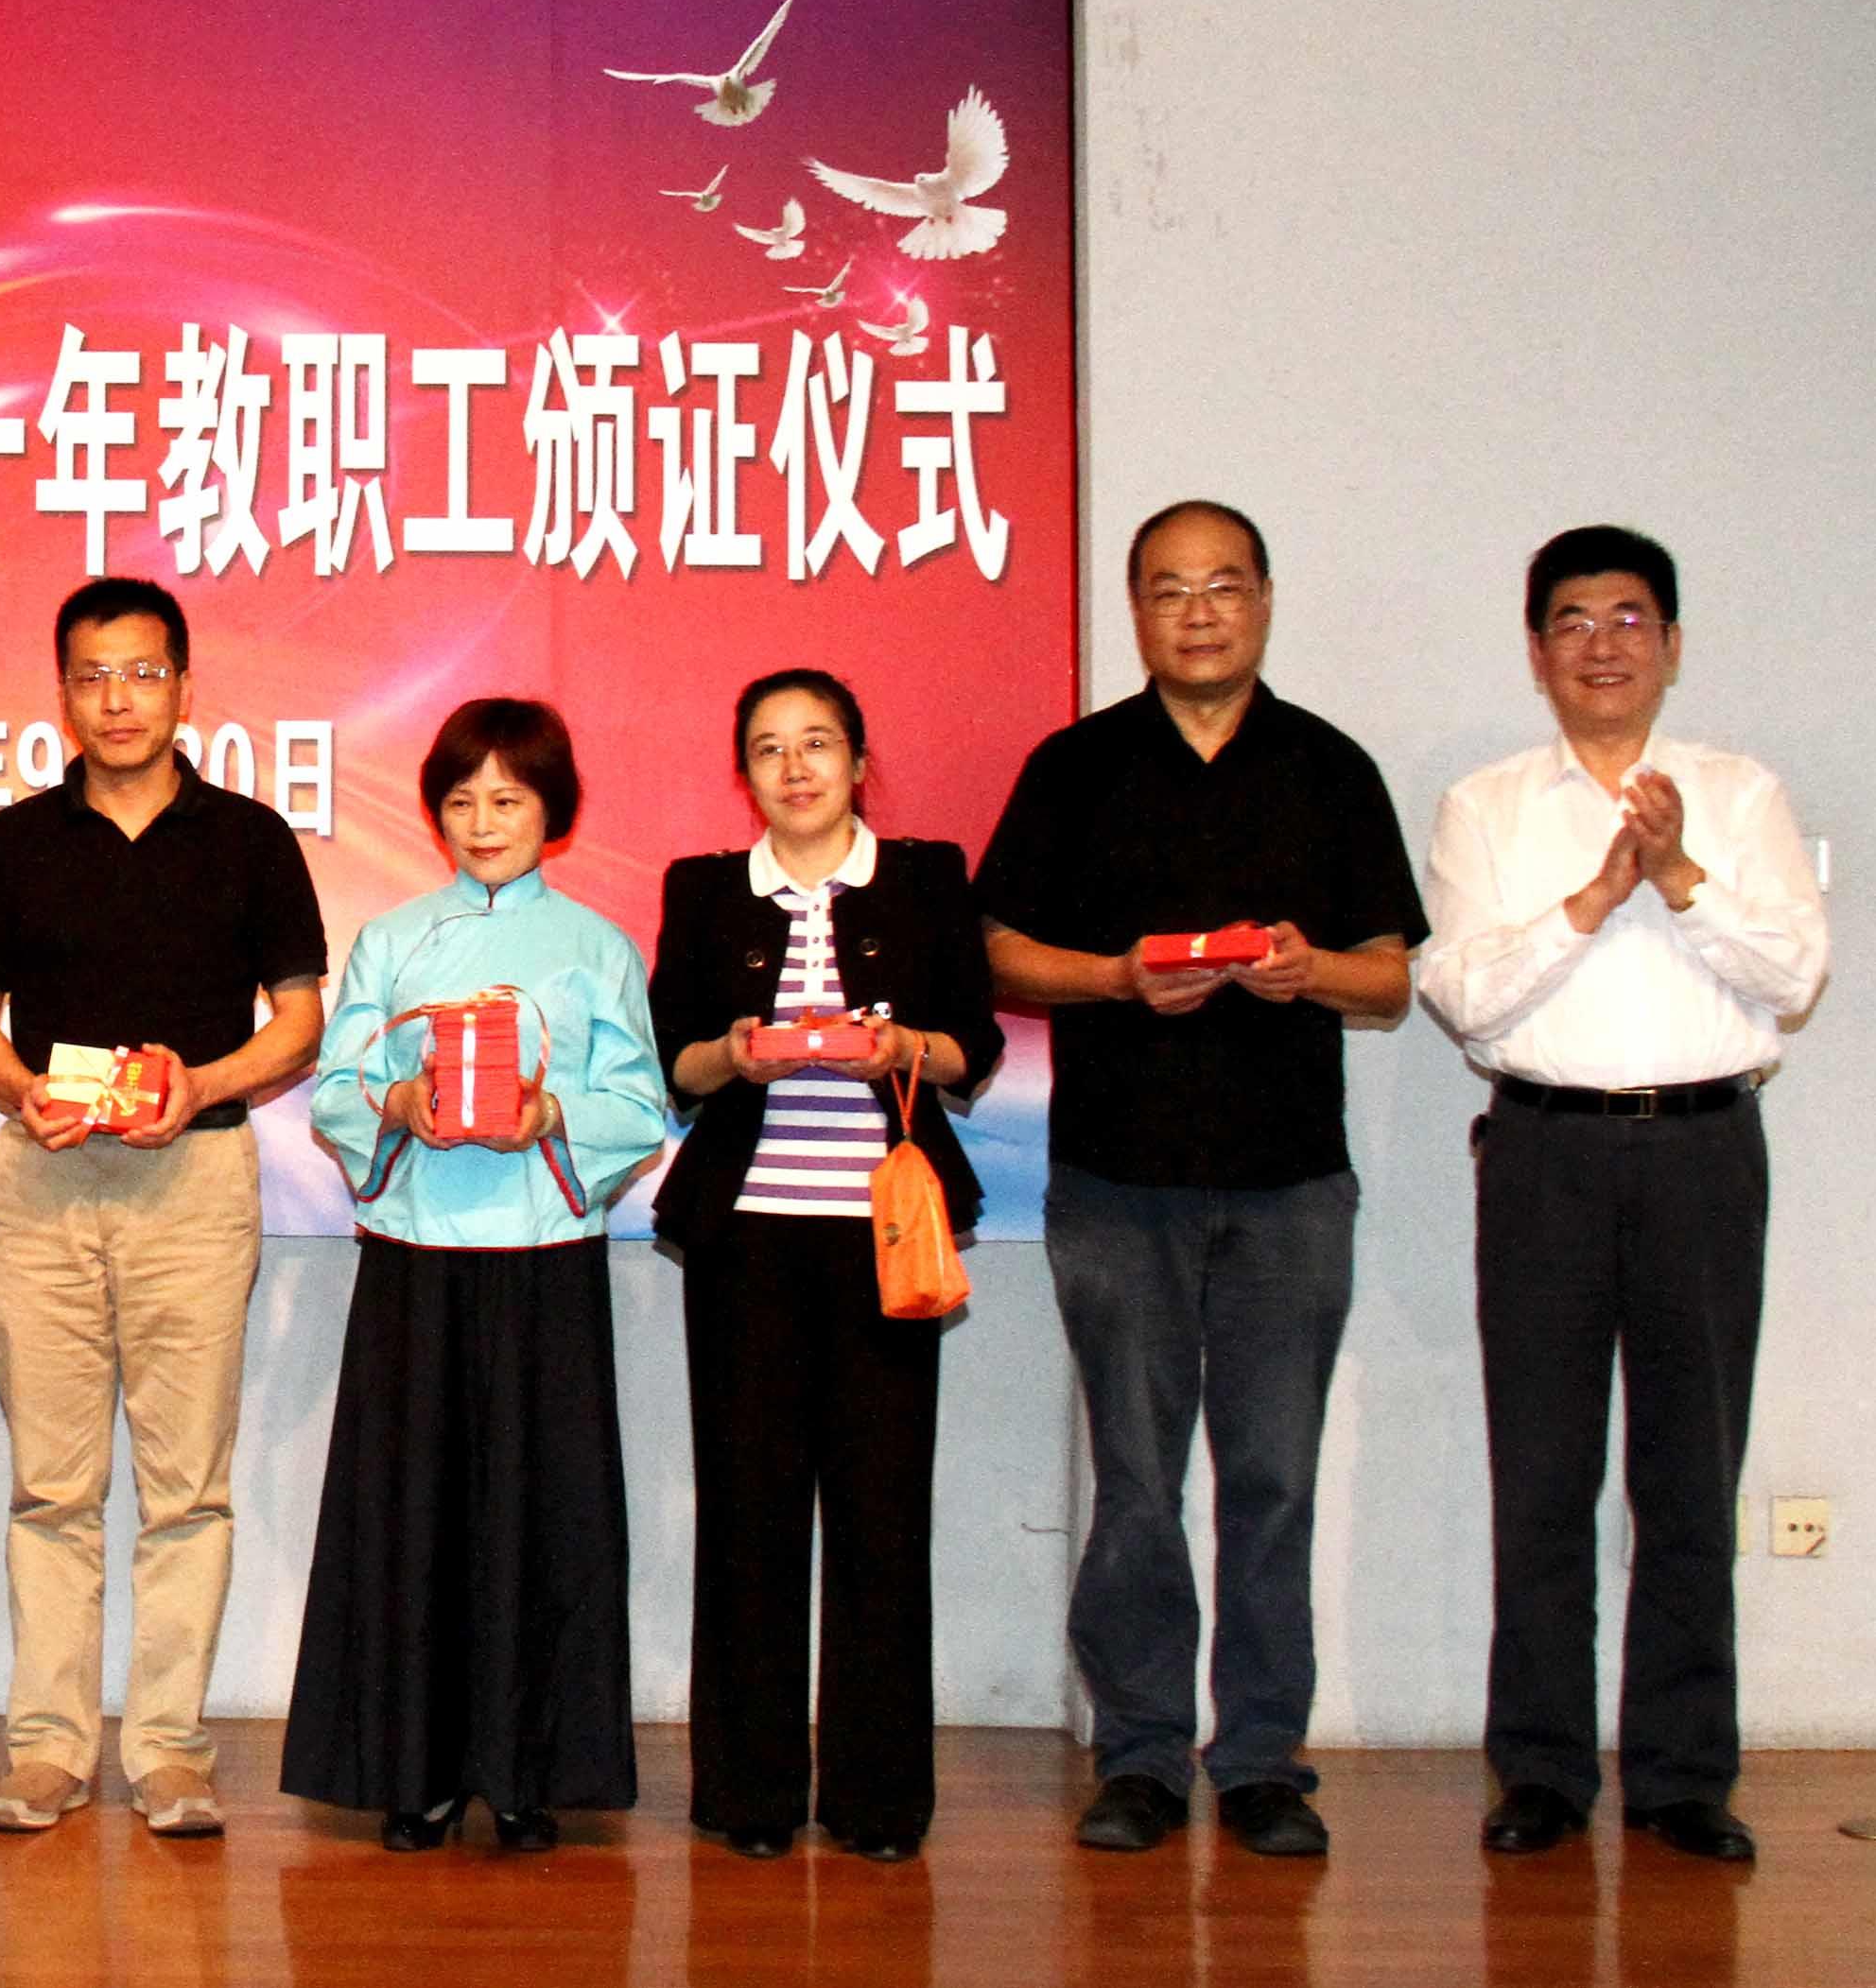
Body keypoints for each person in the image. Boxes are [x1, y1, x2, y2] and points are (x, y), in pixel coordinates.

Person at [976, 499, 1424, 1859]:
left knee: (1272, 1477)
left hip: (1289, 1186)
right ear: (1138, 612)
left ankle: (1263, 1758)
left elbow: (1389, 979)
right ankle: (1141, 1754)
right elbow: (997, 951)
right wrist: (1117, 977)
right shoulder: (1076, 767)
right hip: (1118, 1180)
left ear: (1264, 600)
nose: (1199, 612)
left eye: (1223, 585)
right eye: (1169, 590)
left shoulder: (1329, 768)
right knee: (1133, 1479)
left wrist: (1307, 969)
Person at [1416, 527, 1826, 1864]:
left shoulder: (1739, 794)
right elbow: (1462, 995)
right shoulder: (1485, 807)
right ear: (1536, 654)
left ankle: (1682, 1775)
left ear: (1673, 643)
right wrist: (1599, 893)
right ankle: (1539, 1769)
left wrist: (1681, 877)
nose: (1602, 645)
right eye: (1573, 622)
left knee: (1690, 1476)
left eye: (1629, 618)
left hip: (1703, 1151)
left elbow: (1794, 977)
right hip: (1544, 1152)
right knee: (1540, 1473)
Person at [0, 576, 326, 1838]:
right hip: (46, 1178)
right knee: (50, 1487)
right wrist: (21, 1091)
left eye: (143, 672)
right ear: (63, 692)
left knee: (185, 1488)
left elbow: (300, 1022)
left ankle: (168, 1752)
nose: (119, 699)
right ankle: (48, 1751)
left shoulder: (250, 839)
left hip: (194, 1180)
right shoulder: (14, 843)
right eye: (94, 675)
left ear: (183, 687)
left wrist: (199, 1084)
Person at [287, 698, 668, 1852]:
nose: (485, 821)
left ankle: (529, 1772)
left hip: (545, 1262)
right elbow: (335, 1089)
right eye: (462, 801)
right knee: (412, 1520)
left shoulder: (599, 948)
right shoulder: (392, 940)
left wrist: (549, 1114)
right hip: (417, 1264)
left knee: (542, 1519)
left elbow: (639, 1103)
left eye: (509, 799)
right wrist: (399, 1100)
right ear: (434, 814)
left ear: (554, 812)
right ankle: (415, 1775)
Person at [649, 669, 1003, 1863]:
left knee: (881, 1517)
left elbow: (974, 1049)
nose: (794, 768)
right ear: (742, 773)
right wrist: (735, 1054)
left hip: (885, 1239)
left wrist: (901, 1046)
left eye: (817, 744)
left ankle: (879, 1799)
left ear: (858, 759)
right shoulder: (705, 890)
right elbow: (674, 1061)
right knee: (747, 1517)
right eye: (768, 748)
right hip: (746, 1239)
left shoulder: (925, 878)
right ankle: (748, 1793)